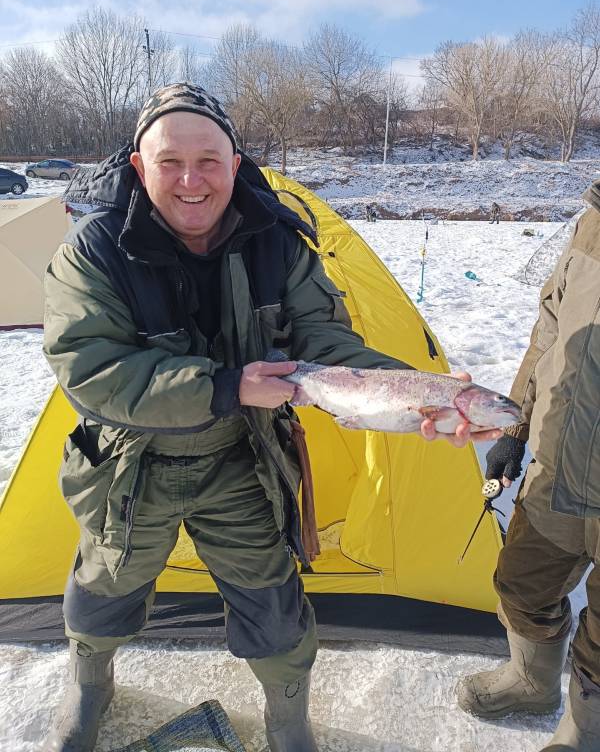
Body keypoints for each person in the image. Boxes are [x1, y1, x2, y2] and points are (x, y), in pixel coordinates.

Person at [41, 83, 500, 752]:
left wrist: (423, 394)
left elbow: (324, 340)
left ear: (235, 161)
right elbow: (91, 372)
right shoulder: (95, 249)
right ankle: (90, 684)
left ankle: (288, 719)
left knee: (273, 600)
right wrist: (227, 386)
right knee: (106, 582)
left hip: (240, 455)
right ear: (140, 167)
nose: (191, 180)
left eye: (210, 160)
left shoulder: (276, 241)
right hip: (130, 461)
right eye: (170, 162)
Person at [457, 179, 600, 751]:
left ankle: (584, 731)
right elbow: (549, 329)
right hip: (561, 465)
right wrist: (514, 427)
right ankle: (531, 681)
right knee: (520, 583)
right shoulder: (592, 225)